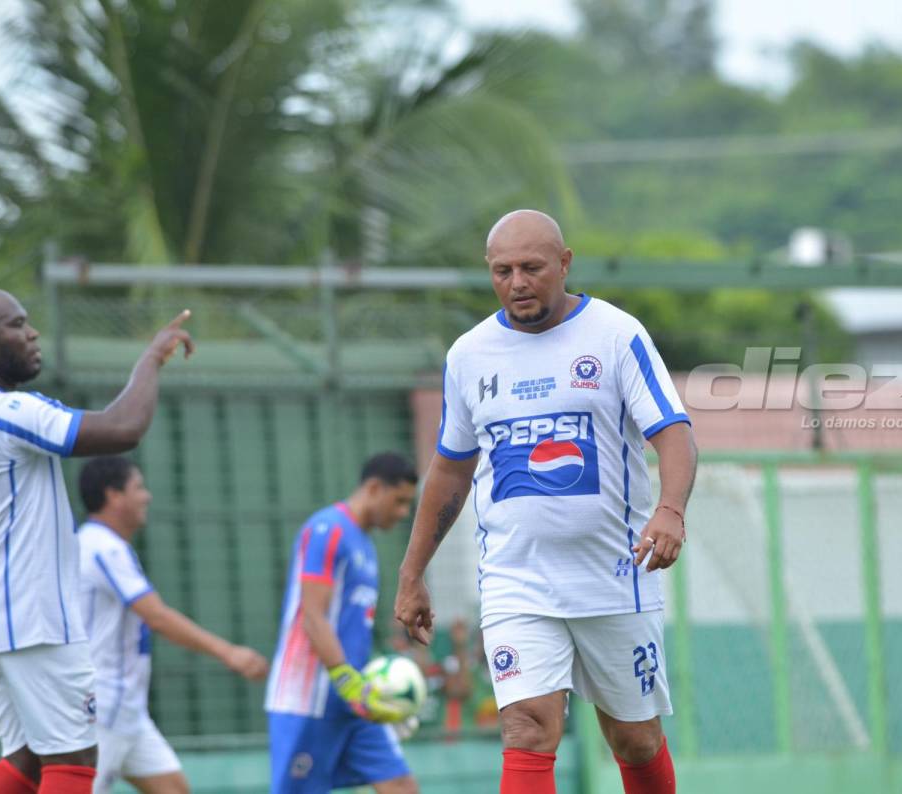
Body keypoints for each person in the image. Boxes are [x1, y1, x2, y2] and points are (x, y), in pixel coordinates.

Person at [394, 210, 697, 794]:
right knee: (527, 728)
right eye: (502, 271)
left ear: (564, 263)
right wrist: (412, 573)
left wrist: (671, 510)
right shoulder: (469, 355)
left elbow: (674, 433)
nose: (518, 282)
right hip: (517, 581)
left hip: (616, 578)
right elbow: (452, 467)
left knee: (634, 740)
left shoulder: (616, 336)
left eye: (532, 267)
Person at [0, 288, 193, 794]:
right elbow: (122, 428)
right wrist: (152, 359)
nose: (32, 332)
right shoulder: (5, 411)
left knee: (26, 761)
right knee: (74, 760)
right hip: (33, 616)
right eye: (16, 324)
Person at [76, 456, 269, 793]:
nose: (147, 496)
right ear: (114, 495)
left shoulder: (101, 545)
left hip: (128, 711)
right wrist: (229, 652)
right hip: (102, 706)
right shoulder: (103, 547)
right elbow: (157, 616)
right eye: (138, 487)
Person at [265, 452, 421, 794]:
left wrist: (387, 699)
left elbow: (351, 629)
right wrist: (346, 680)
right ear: (374, 488)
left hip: (352, 698)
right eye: (399, 502)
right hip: (308, 697)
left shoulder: (365, 545)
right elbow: (312, 616)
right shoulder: (328, 529)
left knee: (401, 785)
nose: (403, 513)